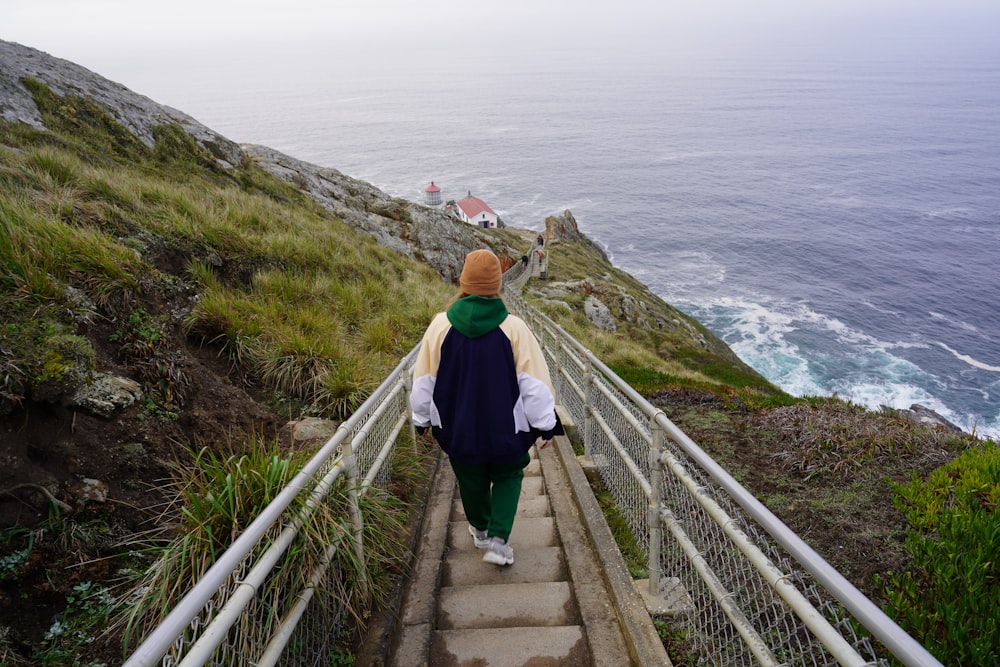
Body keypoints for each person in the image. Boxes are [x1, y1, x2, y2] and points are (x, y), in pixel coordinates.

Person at [410, 248, 563, 566]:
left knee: (470, 477)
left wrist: (421, 419)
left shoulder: (440, 326)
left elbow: (423, 378)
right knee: (509, 474)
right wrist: (546, 424)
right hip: (506, 429)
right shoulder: (515, 328)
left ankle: (479, 530)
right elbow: (533, 385)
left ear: (464, 282)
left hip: (457, 428)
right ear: (497, 285)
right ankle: (498, 540)